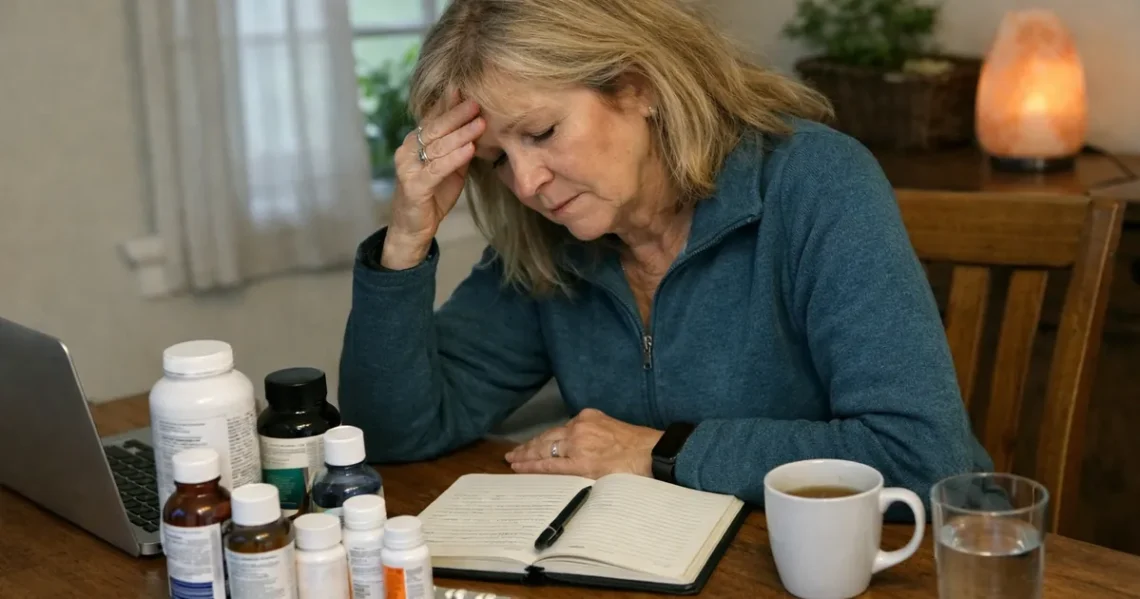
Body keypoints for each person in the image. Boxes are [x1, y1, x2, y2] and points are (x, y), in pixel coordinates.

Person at [338, 0, 992, 510]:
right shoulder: (550, 240)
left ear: (638, 87)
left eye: (541, 132)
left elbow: (920, 455)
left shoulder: (818, 184)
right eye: (497, 159)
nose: (526, 183)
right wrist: (405, 239)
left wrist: (662, 452)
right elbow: (396, 433)